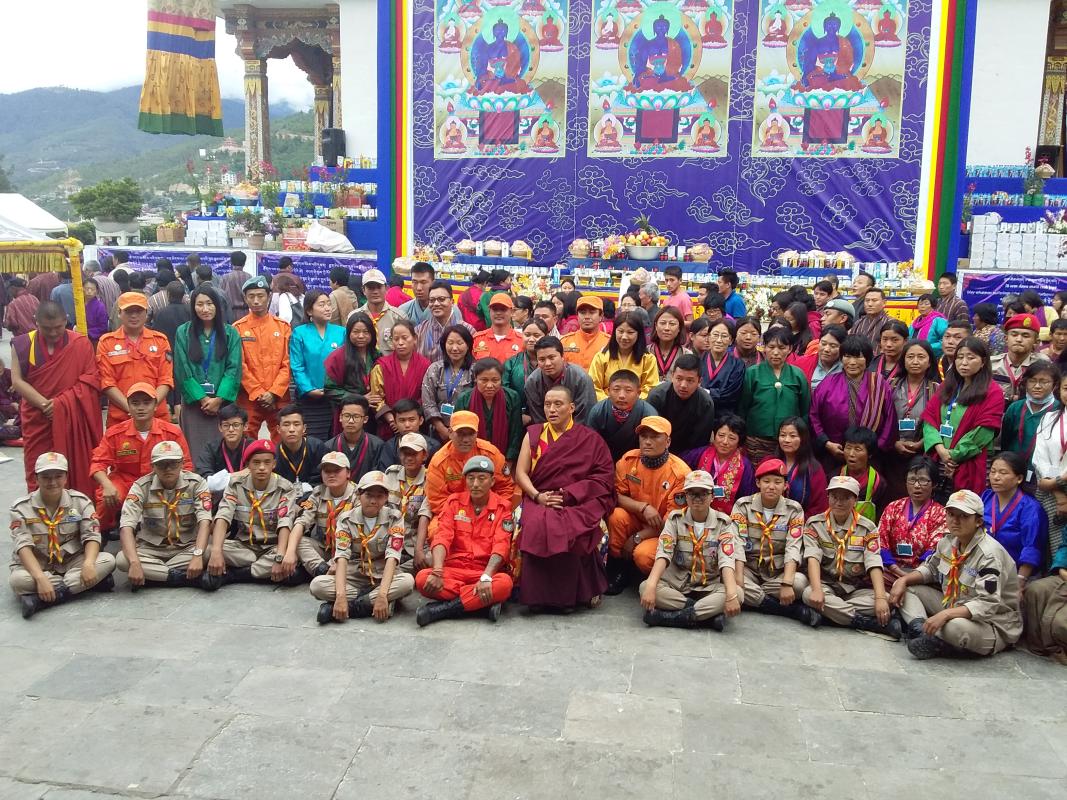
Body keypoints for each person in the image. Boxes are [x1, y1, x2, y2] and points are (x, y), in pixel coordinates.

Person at [514, 385, 615, 611]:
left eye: (558, 404)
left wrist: (570, 494)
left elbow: (603, 477)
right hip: (539, 495)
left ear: (572, 407)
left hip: (576, 500)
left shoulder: (589, 439)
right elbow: (521, 473)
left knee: (574, 529)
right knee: (537, 525)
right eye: (547, 404)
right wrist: (537, 496)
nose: (551, 409)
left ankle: (571, 597)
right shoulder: (534, 434)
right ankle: (537, 597)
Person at [890, 489, 1021, 659]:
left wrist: (945, 615)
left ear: (978, 521)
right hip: (953, 604)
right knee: (907, 589)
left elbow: (987, 604)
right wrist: (904, 580)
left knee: (954, 627)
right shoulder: (947, 542)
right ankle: (921, 631)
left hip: (990, 623)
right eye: (951, 514)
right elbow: (931, 569)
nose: (955, 521)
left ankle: (938, 640)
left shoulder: (989, 554)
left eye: (963, 516)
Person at [9, 302, 102, 496]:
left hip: (72, 420)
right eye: (46, 328)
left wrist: (61, 404)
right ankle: (40, 511)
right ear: (36, 322)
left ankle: (79, 509)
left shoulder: (80, 343)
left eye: (58, 327)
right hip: (38, 418)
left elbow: (91, 380)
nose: (53, 333)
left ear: (65, 321)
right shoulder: (23, 344)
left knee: (76, 467)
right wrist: (47, 406)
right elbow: (17, 381)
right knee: (38, 467)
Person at [8, 452, 116, 618]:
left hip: (72, 560)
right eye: (45, 477)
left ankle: (43, 599)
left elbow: (92, 536)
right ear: (36, 478)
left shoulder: (80, 502)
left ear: (66, 477)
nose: (52, 482)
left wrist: (88, 564)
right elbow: (23, 546)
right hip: (40, 564)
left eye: (58, 476)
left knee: (108, 560)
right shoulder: (21, 508)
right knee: (18, 581)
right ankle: (89, 584)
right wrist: (40, 577)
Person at [414, 454, 514, 626]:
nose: (475, 484)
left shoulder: (502, 507)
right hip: (453, 569)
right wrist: (437, 571)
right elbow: (442, 537)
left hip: (483, 572)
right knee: (422, 579)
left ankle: (442, 610)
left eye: (481, 478)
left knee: (504, 584)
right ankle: (480, 606)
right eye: (470, 478)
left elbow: (501, 545)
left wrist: (486, 577)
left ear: (492, 481)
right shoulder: (453, 503)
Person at [639, 470, 744, 630]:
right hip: (677, 584)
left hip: (708, 585)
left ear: (712, 496)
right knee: (645, 587)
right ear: (685, 496)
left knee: (738, 593)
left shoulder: (724, 523)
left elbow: (726, 561)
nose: (697, 498)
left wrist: (731, 595)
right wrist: (651, 586)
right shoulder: (674, 520)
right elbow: (663, 553)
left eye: (703, 493)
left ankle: (671, 617)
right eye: (692, 493)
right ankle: (706, 616)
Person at [309, 469, 415, 623]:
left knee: (407, 582)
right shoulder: (346, 519)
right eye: (369, 495)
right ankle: (374, 603)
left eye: (379, 496)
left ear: (386, 497)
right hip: (355, 573)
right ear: (359, 495)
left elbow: (392, 556)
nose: (373, 501)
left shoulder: (394, 518)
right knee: (317, 586)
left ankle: (355, 607)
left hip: (382, 574)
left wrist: (382, 594)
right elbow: (342, 557)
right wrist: (340, 596)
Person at [802, 475, 901, 639]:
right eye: (834, 497)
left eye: (846, 498)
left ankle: (830, 615)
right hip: (826, 585)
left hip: (853, 589)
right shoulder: (815, 524)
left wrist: (880, 598)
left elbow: (873, 562)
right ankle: (865, 622)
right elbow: (813, 558)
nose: (839, 503)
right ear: (828, 497)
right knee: (808, 594)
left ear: (855, 500)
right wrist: (817, 590)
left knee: (887, 601)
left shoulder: (867, 528)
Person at [90, 383, 192, 531]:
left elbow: (186, 465)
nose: (141, 408)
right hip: (125, 482)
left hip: (161, 480)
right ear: (129, 406)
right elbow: (98, 464)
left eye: (146, 402)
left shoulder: (171, 432)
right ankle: (101, 533)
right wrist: (107, 485)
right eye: (135, 403)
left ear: (155, 406)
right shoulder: (114, 433)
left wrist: (174, 485)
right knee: (105, 497)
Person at [115, 441, 216, 591]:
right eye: (161, 464)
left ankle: (155, 577)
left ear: (182, 463)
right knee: (122, 560)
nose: (168, 469)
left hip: (185, 547)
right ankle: (180, 578)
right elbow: (126, 527)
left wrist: (197, 555)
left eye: (173, 464)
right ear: (153, 466)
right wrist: (135, 563)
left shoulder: (196, 483)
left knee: (207, 552)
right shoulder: (141, 487)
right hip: (151, 549)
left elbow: (205, 521)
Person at [606, 416, 690, 593]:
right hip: (637, 519)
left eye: (655, 437)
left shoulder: (680, 473)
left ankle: (656, 578)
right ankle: (619, 568)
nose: (647, 442)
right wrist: (642, 507)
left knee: (643, 555)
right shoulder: (628, 460)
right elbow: (617, 496)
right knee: (616, 516)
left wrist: (637, 537)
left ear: (668, 442)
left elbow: (672, 523)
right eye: (644, 436)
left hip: (662, 530)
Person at [730, 457, 816, 625]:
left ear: (785, 486)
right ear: (758, 483)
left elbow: (793, 547)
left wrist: (787, 583)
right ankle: (780, 608)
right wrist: (739, 579)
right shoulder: (743, 505)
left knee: (799, 584)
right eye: (766, 481)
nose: (771, 486)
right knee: (728, 578)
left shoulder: (794, 510)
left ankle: (752, 599)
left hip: (777, 572)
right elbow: (737, 544)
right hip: (749, 569)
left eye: (777, 482)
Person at [208, 439, 301, 585]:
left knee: (295, 554)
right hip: (244, 546)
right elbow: (223, 516)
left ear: (274, 464)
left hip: (273, 547)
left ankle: (237, 574)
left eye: (267, 462)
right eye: (256, 463)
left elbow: (285, 521)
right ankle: (261, 571)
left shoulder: (285, 487)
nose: (262, 467)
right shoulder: (236, 484)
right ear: (248, 465)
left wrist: (279, 557)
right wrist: (216, 551)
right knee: (208, 551)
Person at [921, 336, 1006, 495]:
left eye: (971, 358)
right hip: (939, 459)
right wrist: (941, 450)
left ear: (983, 362)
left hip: (969, 460)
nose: (964, 362)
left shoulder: (993, 392)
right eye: (960, 357)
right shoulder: (947, 386)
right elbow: (929, 419)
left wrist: (954, 455)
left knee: (963, 504)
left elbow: (984, 431)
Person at [810, 334, 897, 473]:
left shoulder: (879, 385)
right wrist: (826, 443)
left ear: (867, 359)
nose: (852, 362)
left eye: (858, 357)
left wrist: (872, 450)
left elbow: (889, 420)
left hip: (870, 458)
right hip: (834, 455)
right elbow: (814, 416)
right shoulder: (828, 383)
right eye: (847, 356)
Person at [173, 285, 242, 458]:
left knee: (223, 449)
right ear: (193, 307)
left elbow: (233, 368)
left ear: (218, 305)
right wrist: (202, 398)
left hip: (223, 404)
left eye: (210, 303)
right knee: (195, 449)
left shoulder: (230, 333)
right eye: (200, 304)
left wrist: (218, 399)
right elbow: (182, 369)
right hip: (194, 403)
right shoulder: (183, 332)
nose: (205, 309)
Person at [423, 410, 513, 529]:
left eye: (471, 434)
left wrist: (491, 511)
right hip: (455, 515)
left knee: (504, 528)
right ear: (450, 433)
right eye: (460, 434)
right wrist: (464, 517)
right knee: (435, 530)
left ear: (477, 433)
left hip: (488, 511)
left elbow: (505, 488)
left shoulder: (491, 454)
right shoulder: (439, 462)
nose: (466, 439)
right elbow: (437, 501)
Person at [97, 292, 173, 428]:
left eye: (138, 311)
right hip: (120, 418)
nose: (134, 316)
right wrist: (131, 408)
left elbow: (165, 379)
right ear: (119, 313)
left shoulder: (160, 341)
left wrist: (150, 407)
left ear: (146, 313)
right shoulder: (106, 343)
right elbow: (107, 382)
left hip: (157, 417)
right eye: (128, 311)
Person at [739, 326, 811, 465]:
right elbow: (743, 406)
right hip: (757, 439)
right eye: (771, 347)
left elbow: (805, 409)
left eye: (782, 347)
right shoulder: (752, 373)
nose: (776, 352)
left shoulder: (797, 375)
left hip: (788, 440)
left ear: (790, 349)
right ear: (764, 348)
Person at [233, 275, 291, 441]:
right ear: (245, 298)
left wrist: (273, 392)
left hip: (278, 397)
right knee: (245, 440)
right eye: (251, 296)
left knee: (283, 439)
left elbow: (287, 364)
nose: (256, 301)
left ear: (269, 296)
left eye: (260, 296)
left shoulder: (283, 327)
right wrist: (258, 392)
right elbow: (239, 365)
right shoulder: (237, 328)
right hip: (249, 398)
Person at [877, 456, 947, 589]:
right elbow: (881, 541)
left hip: (921, 574)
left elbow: (934, 551)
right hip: (890, 570)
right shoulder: (893, 507)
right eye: (912, 479)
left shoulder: (940, 513)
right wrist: (895, 569)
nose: (916, 485)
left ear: (934, 484)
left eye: (923, 480)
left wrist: (911, 577)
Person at [289, 451, 358, 580]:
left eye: (337, 470)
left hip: (350, 552)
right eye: (327, 471)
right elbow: (302, 522)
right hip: (325, 548)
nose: (331, 474)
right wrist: (290, 552)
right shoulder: (317, 493)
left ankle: (323, 575)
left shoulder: (358, 496)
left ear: (348, 473)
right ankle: (323, 571)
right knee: (297, 541)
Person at [983, 451, 1047, 585]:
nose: (995, 477)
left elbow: (1032, 546)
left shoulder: (1030, 508)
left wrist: (1020, 580)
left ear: (1019, 478)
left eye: (1003, 473)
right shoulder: (986, 497)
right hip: (984, 567)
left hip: (1016, 574)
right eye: (993, 471)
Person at [290, 290, 345, 440]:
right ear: (309, 311)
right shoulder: (299, 333)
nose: (327, 308)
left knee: (334, 437)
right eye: (322, 304)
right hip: (309, 398)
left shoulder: (341, 332)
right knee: (312, 439)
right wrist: (309, 389)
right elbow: (297, 366)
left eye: (328, 304)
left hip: (335, 396)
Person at [453, 357, 522, 463]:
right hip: (470, 459)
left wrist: (508, 462)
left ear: (501, 379)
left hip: (503, 459)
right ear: (476, 378)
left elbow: (515, 434)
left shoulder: (512, 397)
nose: (490, 385)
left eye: (495, 380)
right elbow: (458, 433)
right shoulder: (464, 399)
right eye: (484, 380)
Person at [369, 319, 430, 439]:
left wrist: (410, 420)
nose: (400, 343)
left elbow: (427, 396)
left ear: (415, 339)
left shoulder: (425, 365)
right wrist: (393, 420)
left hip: (416, 425)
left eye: (405, 338)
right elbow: (377, 398)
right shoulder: (382, 366)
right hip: (389, 425)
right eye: (396, 339)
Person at [647, 353, 715, 455]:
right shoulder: (657, 396)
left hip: (689, 454)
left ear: (699, 381)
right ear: (672, 376)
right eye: (679, 378)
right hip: (658, 450)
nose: (683, 385)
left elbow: (700, 442)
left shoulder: (706, 403)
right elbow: (650, 434)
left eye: (690, 380)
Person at [382, 432, 430, 572]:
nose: (409, 458)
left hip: (413, 544)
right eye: (405, 453)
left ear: (424, 455)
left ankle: (391, 574)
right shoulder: (391, 474)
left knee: (429, 560)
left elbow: (425, 515)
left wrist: (419, 550)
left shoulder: (430, 479)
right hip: (389, 540)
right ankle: (393, 573)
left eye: (414, 454)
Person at [689, 413, 755, 515]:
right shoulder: (700, 454)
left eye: (731, 438)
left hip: (728, 517)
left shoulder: (745, 465)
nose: (725, 442)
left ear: (739, 442)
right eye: (721, 435)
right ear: (714, 435)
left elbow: (747, 498)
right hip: (695, 512)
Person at [585, 369, 658, 462]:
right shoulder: (598, 411)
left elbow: (651, 447)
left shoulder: (648, 414)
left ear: (638, 393)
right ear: (608, 391)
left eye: (628, 390)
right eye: (616, 389)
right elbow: (592, 445)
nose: (621, 395)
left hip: (637, 462)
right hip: (604, 460)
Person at [525, 336, 596, 424]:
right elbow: (538, 419)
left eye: (552, 357)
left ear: (562, 356)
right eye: (542, 359)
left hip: (578, 428)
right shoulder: (532, 382)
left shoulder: (581, 378)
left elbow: (585, 416)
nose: (547, 364)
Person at [1033, 376, 1067, 560]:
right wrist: (1058, 491)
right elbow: (1040, 458)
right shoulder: (1049, 418)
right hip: (1051, 493)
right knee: (1055, 551)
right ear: (1059, 390)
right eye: (1066, 388)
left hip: (1055, 483)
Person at [589, 311, 658, 400]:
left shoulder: (648, 359)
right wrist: (611, 403)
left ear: (639, 334)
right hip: (607, 405)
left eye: (630, 332)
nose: (624, 337)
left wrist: (631, 402)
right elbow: (594, 387)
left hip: (637, 405)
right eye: (620, 331)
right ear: (614, 332)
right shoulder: (601, 357)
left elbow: (650, 388)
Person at [422, 324, 475, 441]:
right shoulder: (435, 369)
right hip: (439, 431)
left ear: (468, 345)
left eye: (460, 343)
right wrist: (442, 429)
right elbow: (428, 403)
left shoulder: (475, 370)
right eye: (450, 343)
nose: (454, 348)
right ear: (444, 345)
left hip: (468, 431)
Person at [1001, 361, 1061, 459]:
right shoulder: (1015, 408)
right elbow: (1005, 441)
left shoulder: (1059, 410)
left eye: (1044, 382)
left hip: (1044, 466)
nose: (1037, 386)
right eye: (1032, 381)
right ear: (1026, 382)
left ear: (1055, 385)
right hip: (1013, 464)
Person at [195, 404, 252, 506]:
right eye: (226, 425)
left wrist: (220, 480)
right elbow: (204, 481)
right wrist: (239, 474)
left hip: (249, 499)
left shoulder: (254, 447)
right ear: (220, 427)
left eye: (236, 425)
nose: (231, 429)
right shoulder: (211, 448)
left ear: (245, 426)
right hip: (220, 500)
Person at [324, 311, 381, 410]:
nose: (361, 336)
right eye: (356, 332)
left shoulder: (377, 355)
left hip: (374, 410)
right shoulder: (337, 357)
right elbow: (330, 389)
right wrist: (359, 399)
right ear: (349, 333)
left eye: (366, 332)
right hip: (350, 410)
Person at [691, 317, 744, 415]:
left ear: (731, 340)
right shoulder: (696, 361)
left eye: (724, 336)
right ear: (709, 337)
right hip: (698, 413)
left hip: (725, 416)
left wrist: (706, 392)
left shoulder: (737, 365)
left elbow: (731, 394)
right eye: (715, 335)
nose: (719, 340)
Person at [992, 313, 1047, 401]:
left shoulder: (1043, 366)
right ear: (1006, 339)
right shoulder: (991, 364)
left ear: (1036, 342)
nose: (1019, 340)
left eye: (1025, 336)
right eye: (1014, 335)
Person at [275, 403, 332, 489]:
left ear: (304, 428)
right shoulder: (275, 454)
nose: (291, 429)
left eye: (296, 424)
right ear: (278, 429)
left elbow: (327, 476)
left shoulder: (317, 447)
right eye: (286, 425)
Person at [328, 394, 383, 481]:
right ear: (340, 417)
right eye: (347, 416)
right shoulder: (329, 446)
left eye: (356, 417)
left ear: (365, 419)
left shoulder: (377, 445)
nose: (351, 421)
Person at [839, 426, 889, 522]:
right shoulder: (834, 476)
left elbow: (882, 517)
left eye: (857, 449)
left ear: (869, 454)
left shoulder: (879, 483)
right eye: (848, 447)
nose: (851, 454)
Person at [415, 280, 472, 362]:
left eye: (441, 299)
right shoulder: (419, 331)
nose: (436, 304)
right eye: (432, 300)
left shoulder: (469, 330)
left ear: (452, 302)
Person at [374, 399, 440, 470]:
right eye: (402, 420)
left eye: (411, 419)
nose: (407, 425)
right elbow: (384, 473)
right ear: (395, 422)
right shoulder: (389, 447)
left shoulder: (433, 446)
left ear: (421, 420)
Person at [503, 318, 547, 421]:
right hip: (518, 417)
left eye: (536, 335)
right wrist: (518, 415)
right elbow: (505, 392)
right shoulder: (511, 363)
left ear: (546, 336)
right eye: (527, 335)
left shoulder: (551, 363)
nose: (531, 339)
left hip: (547, 416)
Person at [356, 269, 406, 354]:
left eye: (379, 287)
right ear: (363, 290)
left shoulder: (398, 317)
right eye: (370, 288)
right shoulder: (355, 317)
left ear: (386, 288)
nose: (375, 292)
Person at [561, 295, 610, 370]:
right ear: (577, 316)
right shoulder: (565, 341)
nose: (587, 317)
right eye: (582, 313)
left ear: (601, 316)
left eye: (592, 312)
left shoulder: (609, 343)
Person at [472, 292, 524, 363]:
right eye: (495, 309)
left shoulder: (522, 341)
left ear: (512, 312)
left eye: (503, 309)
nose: (498, 313)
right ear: (489, 311)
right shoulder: (477, 339)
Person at [649, 306, 688, 380]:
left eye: (672, 324)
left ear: (679, 328)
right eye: (663, 323)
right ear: (656, 326)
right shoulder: (645, 352)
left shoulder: (686, 355)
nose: (667, 328)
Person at [851, 287, 892, 353]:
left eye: (874, 300)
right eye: (867, 300)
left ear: (884, 303)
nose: (870, 304)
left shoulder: (890, 323)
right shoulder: (858, 323)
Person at [808, 324, 845, 390]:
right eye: (823, 344)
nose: (826, 349)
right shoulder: (803, 363)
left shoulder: (847, 367)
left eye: (833, 346)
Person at [217, 252, 251, 323]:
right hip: (245, 313)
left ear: (231, 263)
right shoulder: (249, 277)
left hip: (229, 314)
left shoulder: (225, 278)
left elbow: (220, 297)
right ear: (244, 263)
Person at [873, 319, 908, 386]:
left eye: (895, 340)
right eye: (885, 339)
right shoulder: (872, 363)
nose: (888, 344)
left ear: (905, 341)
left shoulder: (909, 366)